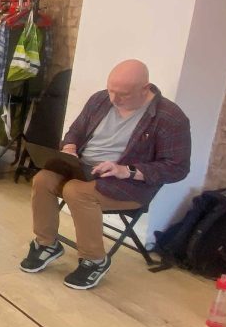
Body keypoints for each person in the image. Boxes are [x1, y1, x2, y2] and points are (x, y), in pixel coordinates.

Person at [21, 59, 191, 290]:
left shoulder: (169, 117)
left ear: (145, 88)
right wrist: (70, 148)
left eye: (123, 94)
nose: (114, 99)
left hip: (127, 183)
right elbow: (75, 131)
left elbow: (177, 168)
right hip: (82, 168)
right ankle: (46, 243)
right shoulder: (100, 99)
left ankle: (94, 260)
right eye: (111, 90)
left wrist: (126, 170)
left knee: (75, 191)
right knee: (43, 179)